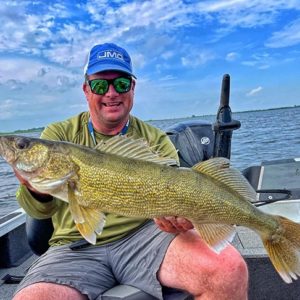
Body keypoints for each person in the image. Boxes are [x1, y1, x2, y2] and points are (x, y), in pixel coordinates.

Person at [13, 43, 248, 300]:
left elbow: (176, 195)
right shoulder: (58, 135)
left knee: (228, 268)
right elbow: (37, 212)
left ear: (132, 88)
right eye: (101, 85)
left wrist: (183, 220)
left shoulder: (155, 139)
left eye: (122, 84)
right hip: (75, 247)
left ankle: (271, 228)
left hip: (146, 237)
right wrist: (37, 190)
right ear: (86, 90)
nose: (111, 93)